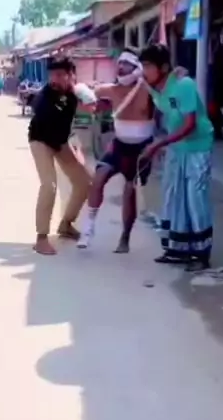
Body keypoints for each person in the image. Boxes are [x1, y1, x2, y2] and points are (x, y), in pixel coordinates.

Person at [139, 43, 214, 272]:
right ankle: (177, 249)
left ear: (163, 67)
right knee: (173, 196)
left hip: (197, 147)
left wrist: (158, 144)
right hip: (176, 147)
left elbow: (190, 124)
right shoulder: (155, 88)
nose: (144, 71)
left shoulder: (184, 85)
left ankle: (201, 253)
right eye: (143, 66)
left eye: (148, 66)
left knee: (195, 198)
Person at [78, 49, 155, 252]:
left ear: (136, 67)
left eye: (126, 64)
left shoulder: (148, 90)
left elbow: (169, 96)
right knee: (98, 179)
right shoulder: (111, 90)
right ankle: (88, 228)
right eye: (119, 63)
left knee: (129, 189)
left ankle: (125, 238)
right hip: (119, 144)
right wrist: (82, 92)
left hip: (142, 148)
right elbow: (84, 91)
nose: (120, 67)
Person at [29, 57, 91, 255]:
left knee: (84, 182)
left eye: (59, 75)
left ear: (71, 75)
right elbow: (41, 110)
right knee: (49, 186)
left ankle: (66, 224)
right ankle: (41, 238)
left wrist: (77, 151)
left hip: (61, 141)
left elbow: (70, 127)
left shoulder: (73, 95)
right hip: (41, 141)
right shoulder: (45, 96)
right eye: (52, 75)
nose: (54, 79)